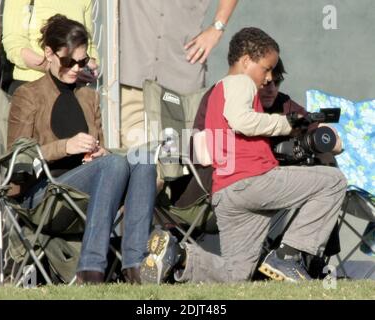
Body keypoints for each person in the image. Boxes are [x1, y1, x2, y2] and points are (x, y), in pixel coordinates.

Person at [140, 27, 347, 284]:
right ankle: (289, 256)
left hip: (226, 194)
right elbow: (242, 121)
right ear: (246, 60)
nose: (268, 78)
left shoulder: (218, 90)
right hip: (251, 180)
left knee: (236, 274)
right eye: (266, 69)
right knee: (333, 181)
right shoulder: (240, 82)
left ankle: (179, 254)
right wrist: (286, 124)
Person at [7, 15, 156, 284]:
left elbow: (100, 158)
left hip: (86, 189)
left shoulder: (88, 96)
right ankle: (90, 269)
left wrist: (101, 153)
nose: (76, 68)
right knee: (114, 164)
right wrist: (66, 146)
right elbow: (17, 157)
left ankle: (136, 265)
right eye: (68, 61)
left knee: (142, 159)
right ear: (49, 53)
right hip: (43, 195)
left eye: (83, 61)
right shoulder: (27, 95)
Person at [119, 0, 238, 148]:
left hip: (182, 73)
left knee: (175, 158)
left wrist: (217, 28)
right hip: (134, 71)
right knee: (137, 155)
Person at [2, 0, 99, 95]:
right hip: (33, 87)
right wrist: (57, 67)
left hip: (72, 90)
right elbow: (14, 45)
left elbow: (88, 44)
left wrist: (87, 66)